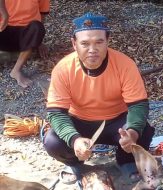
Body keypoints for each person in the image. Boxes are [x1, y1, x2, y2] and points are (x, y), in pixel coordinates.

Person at [43, 12, 154, 189]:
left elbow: (138, 105)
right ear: (74, 44)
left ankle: (126, 160)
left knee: (144, 130)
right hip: (79, 121)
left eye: (99, 42)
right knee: (53, 142)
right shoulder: (63, 68)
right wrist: (75, 139)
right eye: (85, 44)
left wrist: (132, 132)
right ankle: (75, 164)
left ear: (107, 41)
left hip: (116, 121)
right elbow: (56, 112)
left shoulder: (125, 64)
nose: (92, 49)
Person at [0, 0, 50, 88]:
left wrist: (38, 40)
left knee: (37, 27)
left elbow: (43, 14)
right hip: (4, 29)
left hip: (26, 35)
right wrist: (4, 12)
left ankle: (16, 70)